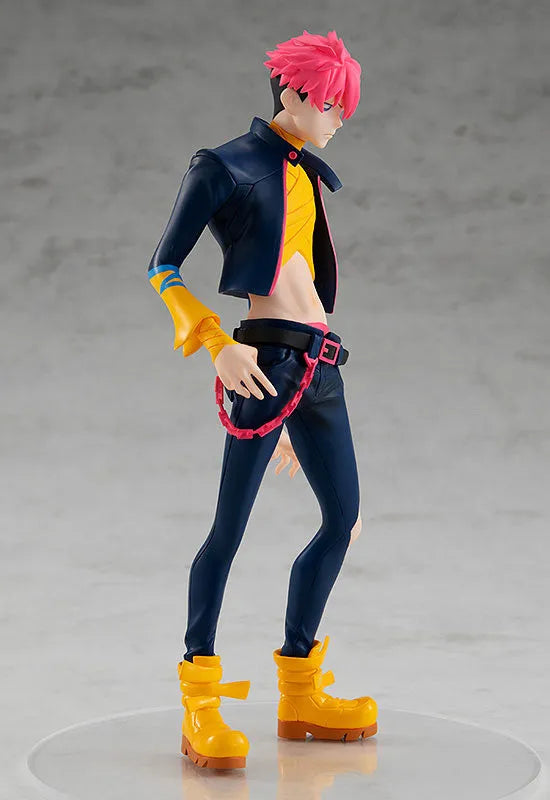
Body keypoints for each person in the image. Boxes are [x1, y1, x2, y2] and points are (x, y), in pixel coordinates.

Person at [148, 30, 377, 770]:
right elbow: (163, 267)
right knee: (229, 532)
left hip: (320, 367)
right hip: (263, 364)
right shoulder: (224, 165)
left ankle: (299, 689)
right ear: (296, 93)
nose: (338, 120)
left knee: (343, 521)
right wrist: (216, 342)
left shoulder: (303, 171)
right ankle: (200, 698)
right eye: (331, 105)